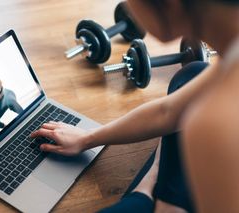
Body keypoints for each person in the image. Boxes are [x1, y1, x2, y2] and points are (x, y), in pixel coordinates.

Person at [31, 0, 239, 212]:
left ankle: (146, 191)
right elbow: (168, 111)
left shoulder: (213, 122)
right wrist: (87, 138)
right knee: (193, 74)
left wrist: (162, 202)